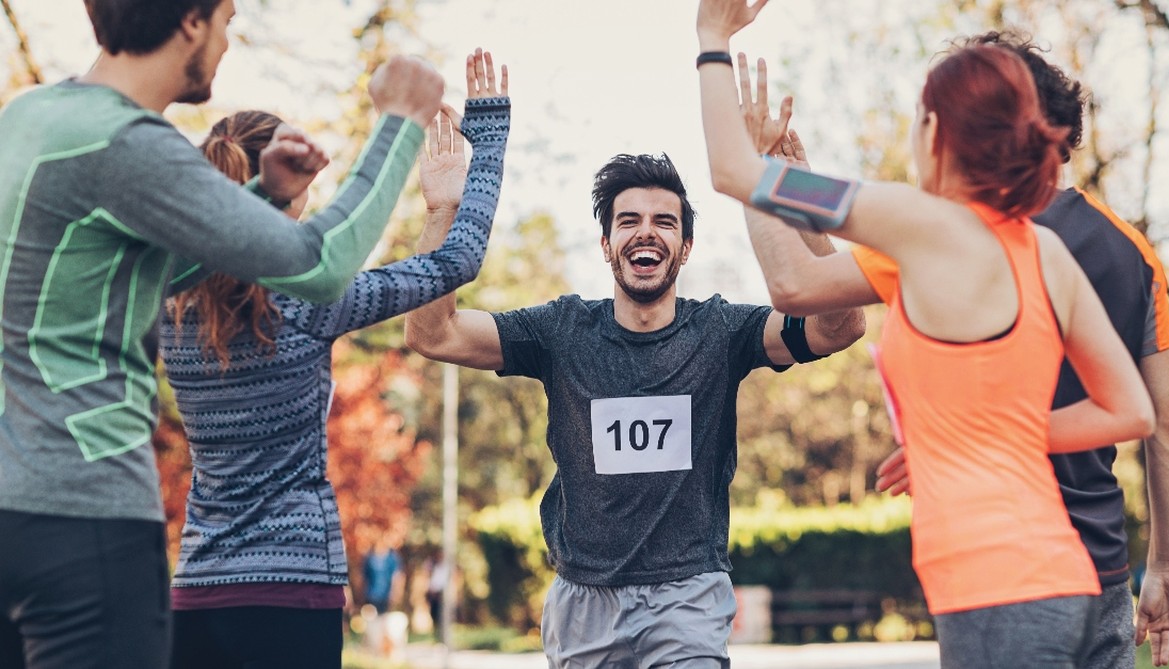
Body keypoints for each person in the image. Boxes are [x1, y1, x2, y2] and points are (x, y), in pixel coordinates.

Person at [695, 1, 1154, 666]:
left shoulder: (918, 223)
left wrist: (712, 37)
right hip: (1070, 586)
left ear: (936, 129)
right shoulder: (1042, 251)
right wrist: (982, 433)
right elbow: (1130, 408)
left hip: (997, 589)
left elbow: (736, 173)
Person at [0, 0, 442, 666]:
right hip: (85, 514)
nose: (230, 42)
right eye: (229, 20)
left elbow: (150, 273)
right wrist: (401, 123)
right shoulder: (130, 145)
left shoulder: (30, 118)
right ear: (190, 22)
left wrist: (260, 199)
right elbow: (316, 266)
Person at [404, 148, 865, 667]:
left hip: (688, 595)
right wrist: (443, 214)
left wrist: (797, 192)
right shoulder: (562, 331)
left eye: (664, 222)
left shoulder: (722, 332)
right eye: (629, 221)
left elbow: (841, 326)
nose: (646, 232)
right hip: (583, 603)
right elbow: (431, 332)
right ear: (607, 245)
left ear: (684, 247)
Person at [159, 49, 510, 669]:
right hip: (292, 592)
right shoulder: (306, 296)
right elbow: (456, 264)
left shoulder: (171, 306)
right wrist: (485, 147)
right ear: (284, 190)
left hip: (197, 588)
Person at [867, 33, 1169, 668]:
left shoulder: (948, 236)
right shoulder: (1133, 249)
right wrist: (1167, 562)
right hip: (1100, 562)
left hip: (996, 561)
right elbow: (1168, 419)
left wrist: (964, 435)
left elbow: (800, 285)